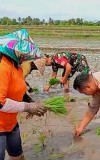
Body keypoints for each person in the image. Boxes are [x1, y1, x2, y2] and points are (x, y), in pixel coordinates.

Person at [0, 29, 47, 160]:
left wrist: (33, 104)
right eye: (23, 52)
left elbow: (19, 91)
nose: (25, 56)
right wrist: (27, 107)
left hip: (11, 123)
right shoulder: (2, 66)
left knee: (18, 157)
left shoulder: (16, 66)